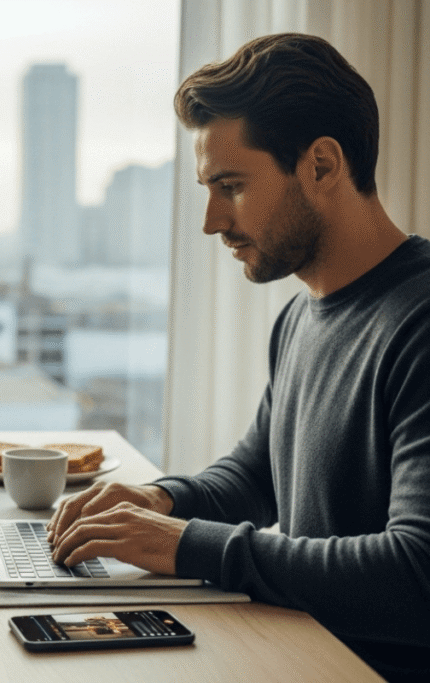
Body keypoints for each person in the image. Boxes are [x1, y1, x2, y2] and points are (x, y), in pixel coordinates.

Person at [47, 33, 430, 682]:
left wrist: (187, 545)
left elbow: (416, 574)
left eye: (231, 185)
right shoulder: (301, 317)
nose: (211, 220)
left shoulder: (418, 322)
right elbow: (258, 478)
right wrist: (155, 502)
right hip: (296, 654)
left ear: (322, 165)